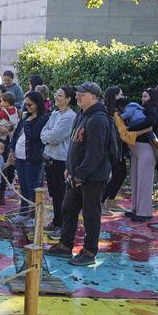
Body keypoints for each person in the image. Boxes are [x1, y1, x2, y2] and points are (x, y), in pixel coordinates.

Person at [46, 81, 114, 266]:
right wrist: (70, 168)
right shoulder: (82, 116)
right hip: (75, 175)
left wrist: (80, 175)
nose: (78, 96)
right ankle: (65, 245)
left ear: (94, 96)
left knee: (91, 215)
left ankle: (90, 251)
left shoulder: (98, 119)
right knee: (68, 209)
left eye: (82, 93)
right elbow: (74, 145)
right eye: (78, 93)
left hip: (92, 177)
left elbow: (95, 153)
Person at [8, 91, 48, 226]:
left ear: (37, 104)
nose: (27, 107)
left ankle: (34, 215)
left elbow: (32, 135)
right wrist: (12, 149)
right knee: (23, 186)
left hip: (32, 157)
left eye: (30, 104)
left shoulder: (42, 119)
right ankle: (23, 213)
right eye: (26, 104)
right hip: (20, 157)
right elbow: (15, 135)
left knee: (33, 187)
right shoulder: (25, 118)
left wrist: (28, 122)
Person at [41, 86, 77, 231]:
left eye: (60, 96)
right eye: (56, 94)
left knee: (61, 193)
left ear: (68, 99)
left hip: (61, 159)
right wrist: (47, 137)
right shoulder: (55, 113)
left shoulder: (70, 116)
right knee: (53, 192)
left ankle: (62, 224)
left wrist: (47, 136)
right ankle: (56, 220)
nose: (56, 97)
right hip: (50, 157)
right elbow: (44, 132)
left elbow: (55, 137)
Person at [126, 88, 158, 222]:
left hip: (146, 149)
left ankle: (144, 212)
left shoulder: (152, 108)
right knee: (137, 180)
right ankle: (135, 209)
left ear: (152, 98)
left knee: (144, 181)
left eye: (145, 97)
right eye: (142, 97)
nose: (143, 99)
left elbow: (151, 121)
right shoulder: (143, 109)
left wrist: (131, 128)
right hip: (137, 149)